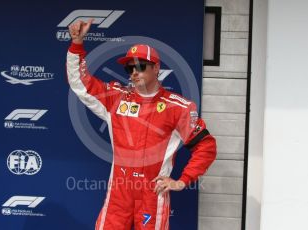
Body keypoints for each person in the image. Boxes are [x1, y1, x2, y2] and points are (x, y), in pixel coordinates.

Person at [66, 19, 217, 230]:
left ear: (156, 68)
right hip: (119, 193)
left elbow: (206, 146)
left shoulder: (178, 107)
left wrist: (182, 180)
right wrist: (77, 45)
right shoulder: (115, 98)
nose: (134, 72)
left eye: (140, 66)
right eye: (129, 68)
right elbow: (80, 84)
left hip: (152, 196)